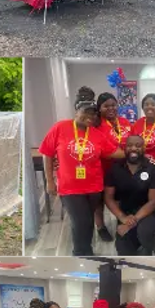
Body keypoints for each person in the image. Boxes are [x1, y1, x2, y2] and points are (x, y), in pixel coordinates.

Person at [40, 99, 121, 256]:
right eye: (86, 112)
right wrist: (50, 181)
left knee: (88, 221)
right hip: (69, 187)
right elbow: (47, 153)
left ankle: (86, 251)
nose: (90, 117)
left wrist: (136, 152)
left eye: (93, 114)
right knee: (80, 221)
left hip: (94, 187)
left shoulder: (96, 134)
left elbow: (114, 152)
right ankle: (79, 253)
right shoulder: (60, 128)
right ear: (77, 111)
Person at [104, 135, 155, 255]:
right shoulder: (115, 168)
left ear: (144, 148)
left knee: (144, 233)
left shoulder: (153, 168)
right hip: (125, 213)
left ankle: (148, 250)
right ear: (124, 148)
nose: (133, 148)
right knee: (123, 249)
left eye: (138, 146)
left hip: (148, 212)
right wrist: (122, 217)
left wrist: (133, 221)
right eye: (130, 145)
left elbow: (153, 201)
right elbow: (108, 198)